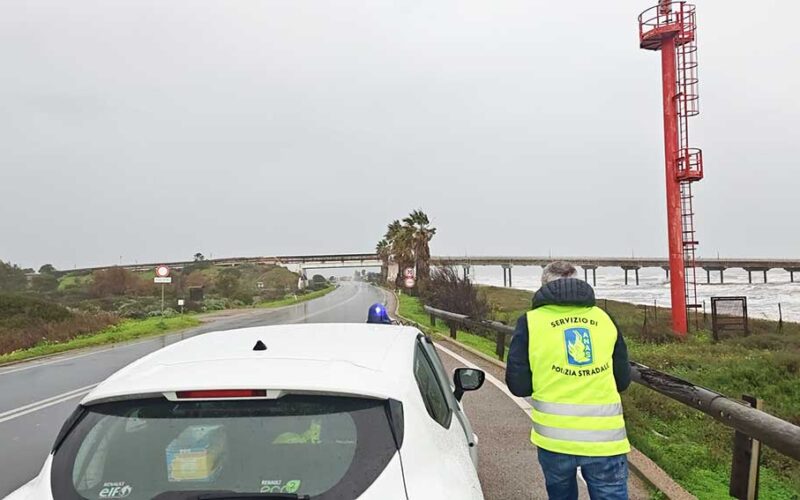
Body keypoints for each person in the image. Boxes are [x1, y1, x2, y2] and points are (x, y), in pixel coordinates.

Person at [505, 261, 631, 500]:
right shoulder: (605, 319)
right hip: (605, 440)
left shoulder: (530, 322)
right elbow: (622, 380)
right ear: (579, 282)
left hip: (555, 440)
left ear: (543, 286)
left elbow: (518, 385)